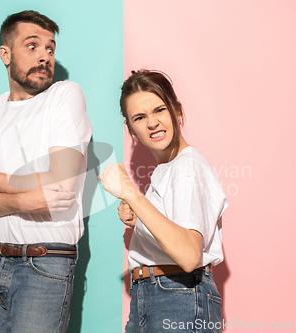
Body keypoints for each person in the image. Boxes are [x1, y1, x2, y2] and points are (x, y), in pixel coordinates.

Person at [0, 10, 92, 333]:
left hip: (44, 264)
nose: (45, 56)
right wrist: (30, 200)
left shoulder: (64, 96)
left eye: (50, 48)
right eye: (32, 46)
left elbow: (59, 181)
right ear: (5, 54)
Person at [98, 70, 228, 332]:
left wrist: (130, 193)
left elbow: (189, 255)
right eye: (139, 117)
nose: (152, 123)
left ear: (177, 111)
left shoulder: (187, 166)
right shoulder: (169, 169)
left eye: (159, 110)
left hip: (177, 294)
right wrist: (140, 219)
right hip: (157, 296)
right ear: (131, 128)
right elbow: (177, 232)